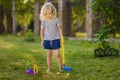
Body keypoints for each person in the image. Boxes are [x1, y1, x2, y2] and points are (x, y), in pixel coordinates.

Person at [40, 2, 63, 72]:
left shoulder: (56, 20)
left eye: (50, 13)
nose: (48, 15)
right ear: (44, 14)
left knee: (57, 55)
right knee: (49, 54)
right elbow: (42, 31)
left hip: (56, 39)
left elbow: (59, 29)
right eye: (46, 14)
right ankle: (49, 68)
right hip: (47, 40)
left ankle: (61, 68)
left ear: (53, 12)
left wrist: (61, 38)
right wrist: (42, 39)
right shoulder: (43, 21)